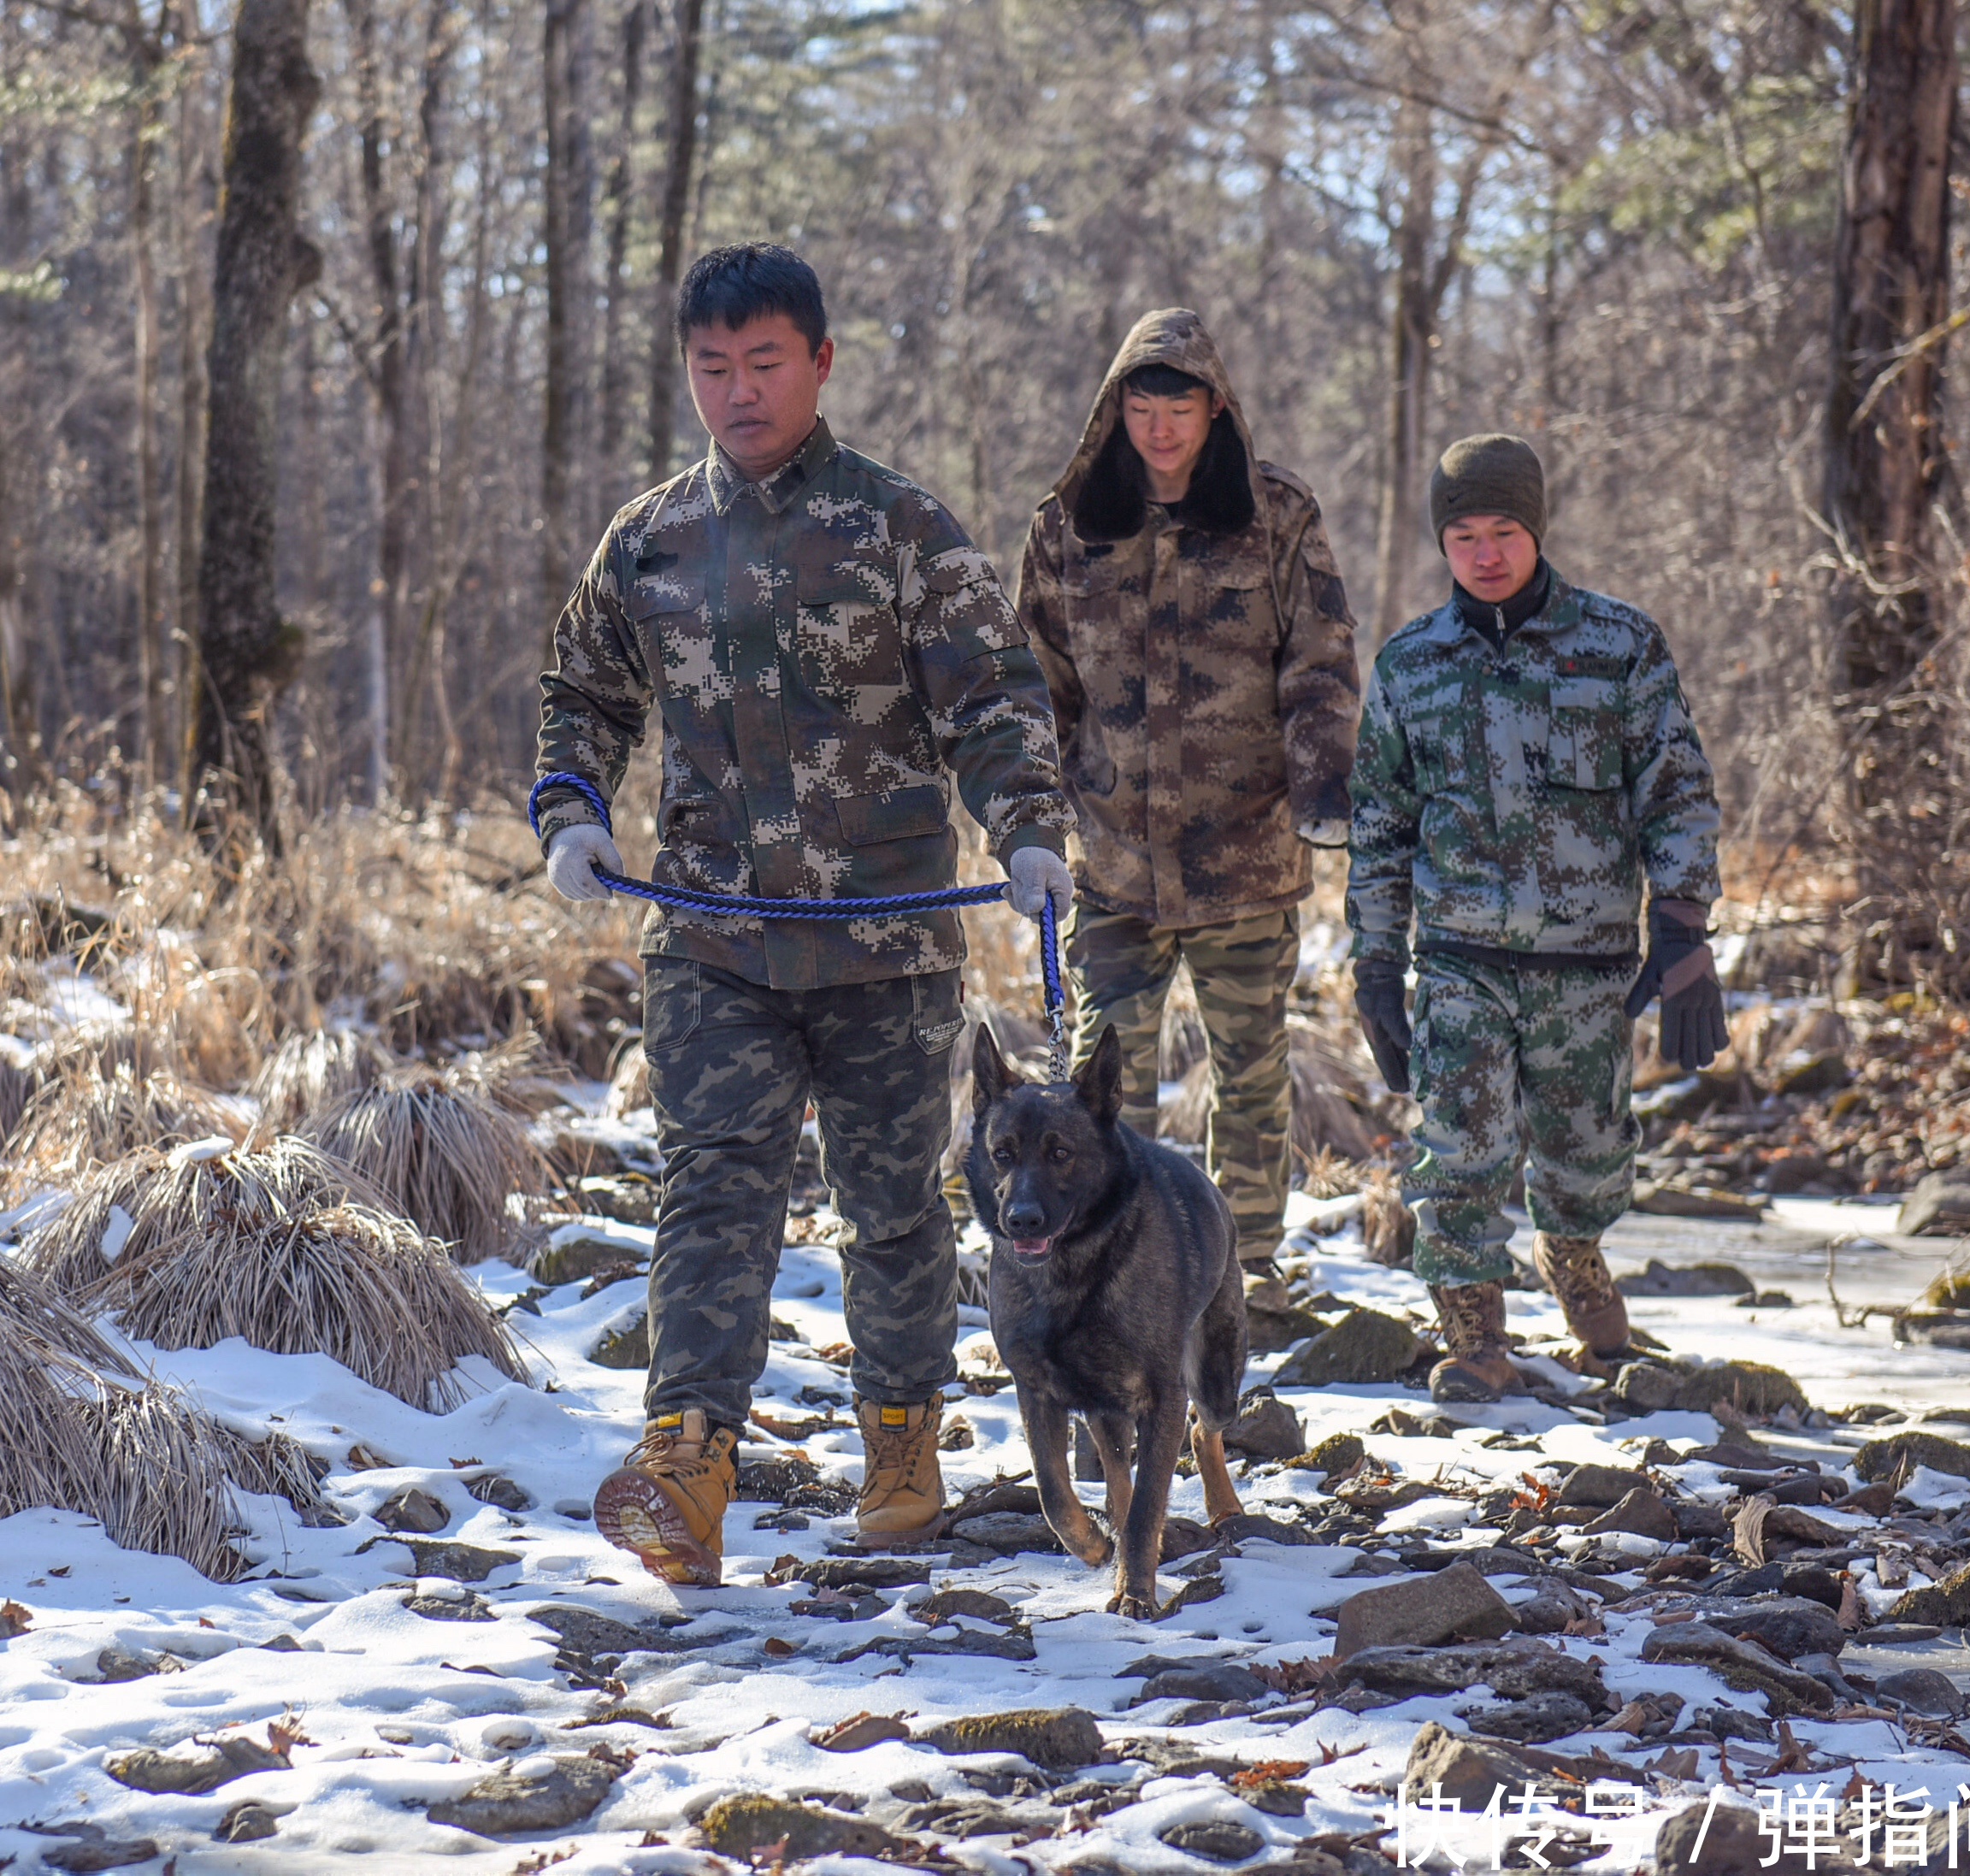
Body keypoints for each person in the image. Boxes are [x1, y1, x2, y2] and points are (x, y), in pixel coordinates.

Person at [534, 243, 1076, 1584]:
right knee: (710, 1193)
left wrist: (1026, 836)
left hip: (888, 944)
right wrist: (572, 813)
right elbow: (577, 694)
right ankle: (686, 1463)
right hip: (711, 940)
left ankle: (899, 1440)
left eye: (763, 363)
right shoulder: (649, 538)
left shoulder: (902, 529)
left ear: (819, 362)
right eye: (711, 368)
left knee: (891, 1205)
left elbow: (994, 702)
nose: (737, 392)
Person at [1344, 434, 1728, 1401]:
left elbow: (1676, 790)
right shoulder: (1409, 666)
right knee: (1459, 1153)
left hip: (1589, 965)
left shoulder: (1619, 645)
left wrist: (1682, 926)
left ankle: (1575, 1257)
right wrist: (1376, 967)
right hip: (1460, 961)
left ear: (1536, 530)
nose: (1484, 554)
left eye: (1503, 530)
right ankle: (1474, 1338)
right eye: (1463, 535)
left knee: (1586, 1155)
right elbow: (1381, 827)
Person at [1014, 310, 1360, 1274]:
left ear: (1216, 407)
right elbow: (1036, 691)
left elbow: (1322, 664)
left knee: (1249, 1078)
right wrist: (1034, 819)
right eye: (1141, 402)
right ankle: (1108, 1267)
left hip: (1246, 858)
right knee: (1102, 1088)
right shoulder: (1068, 526)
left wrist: (1324, 778)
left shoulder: (1278, 516)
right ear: (1115, 406)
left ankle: (1242, 1274)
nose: (1160, 425)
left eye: (1180, 405)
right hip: (1115, 862)